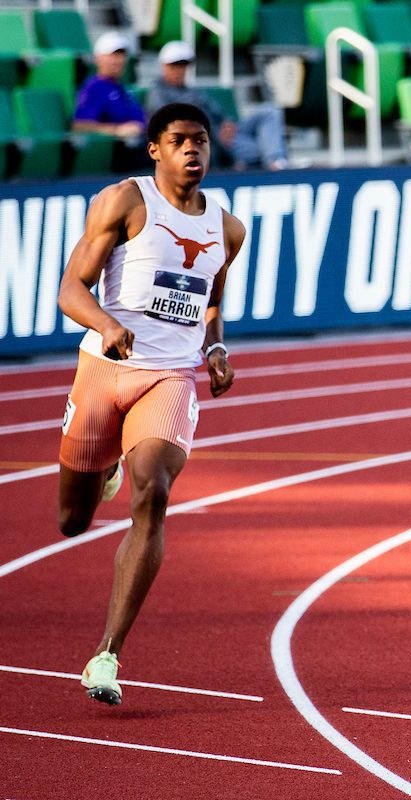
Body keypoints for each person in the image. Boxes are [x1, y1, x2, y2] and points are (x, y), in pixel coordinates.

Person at [58, 103, 246, 706]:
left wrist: (214, 347)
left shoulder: (229, 228)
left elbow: (211, 299)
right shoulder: (125, 201)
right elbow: (70, 288)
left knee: (155, 494)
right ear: (155, 151)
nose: (193, 151)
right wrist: (108, 326)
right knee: (72, 521)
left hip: (168, 377)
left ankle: (107, 655)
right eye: (179, 141)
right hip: (103, 368)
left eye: (201, 141)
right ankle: (104, 465)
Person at [145, 41, 289, 171]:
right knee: (260, 149)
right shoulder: (158, 94)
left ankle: (276, 160)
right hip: (208, 141)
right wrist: (212, 133)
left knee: (270, 111)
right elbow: (172, 127)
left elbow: (218, 112)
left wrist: (227, 123)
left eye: (183, 65)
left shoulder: (194, 91)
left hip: (224, 133)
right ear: (164, 66)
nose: (179, 70)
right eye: (175, 65)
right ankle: (274, 162)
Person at [73, 32, 145, 139]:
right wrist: (116, 130)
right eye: (113, 55)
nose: (119, 60)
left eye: (122, 56)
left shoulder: (122, 88)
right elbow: (80, 125)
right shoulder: (95, 88)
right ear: (98, 58)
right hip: (120, 149)